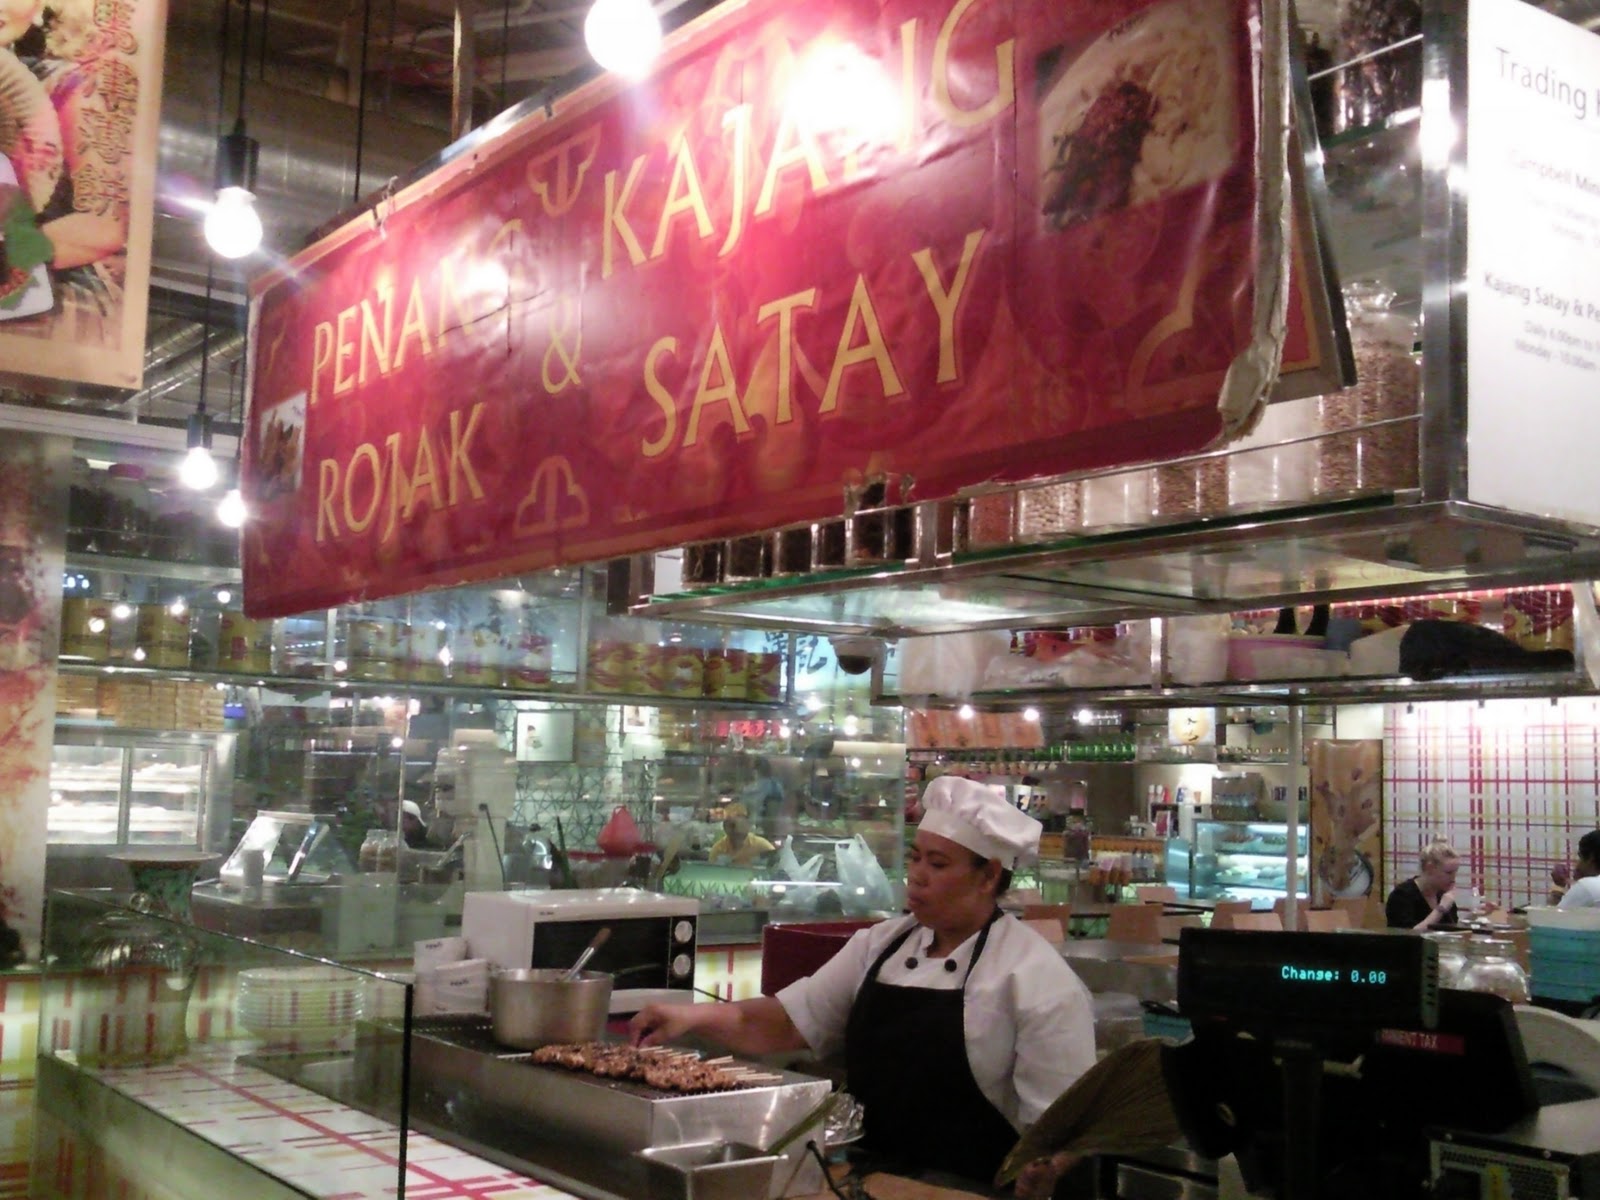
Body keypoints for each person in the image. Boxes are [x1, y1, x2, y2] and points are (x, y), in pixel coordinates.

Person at [630, 776, 1095, 1199]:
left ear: (989, 875)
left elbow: (1063, 1129)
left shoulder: (1034, 977)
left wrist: (1049, 1168)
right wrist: (688, 1018)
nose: (917, 875)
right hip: (872, 1185)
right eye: (916, 858)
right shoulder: (882, 944)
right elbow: (788, 1022)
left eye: (938, 863)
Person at [1385, 839, 1463, 930]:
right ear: (1429, 868)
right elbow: (1408, 936)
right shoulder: (1402, 895)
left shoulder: (1443, 894)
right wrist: (1440, 909)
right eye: (1448, 873)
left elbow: (1452, 931)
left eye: (1455, 872)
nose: (1453, 878)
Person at [707, 805, 774, 867]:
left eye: (741, 825)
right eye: (732, 825)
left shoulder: (762, 846)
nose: (737, 830)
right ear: (725, 827)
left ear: (748, 825)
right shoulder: (718, 849)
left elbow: (776, 868)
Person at [1556, 830, 1600, 910]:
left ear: (1591, 857)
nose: (1577, 864)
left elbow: (1551, 918)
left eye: (1580, 857)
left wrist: (1558, 887)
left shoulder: (1587, 886)